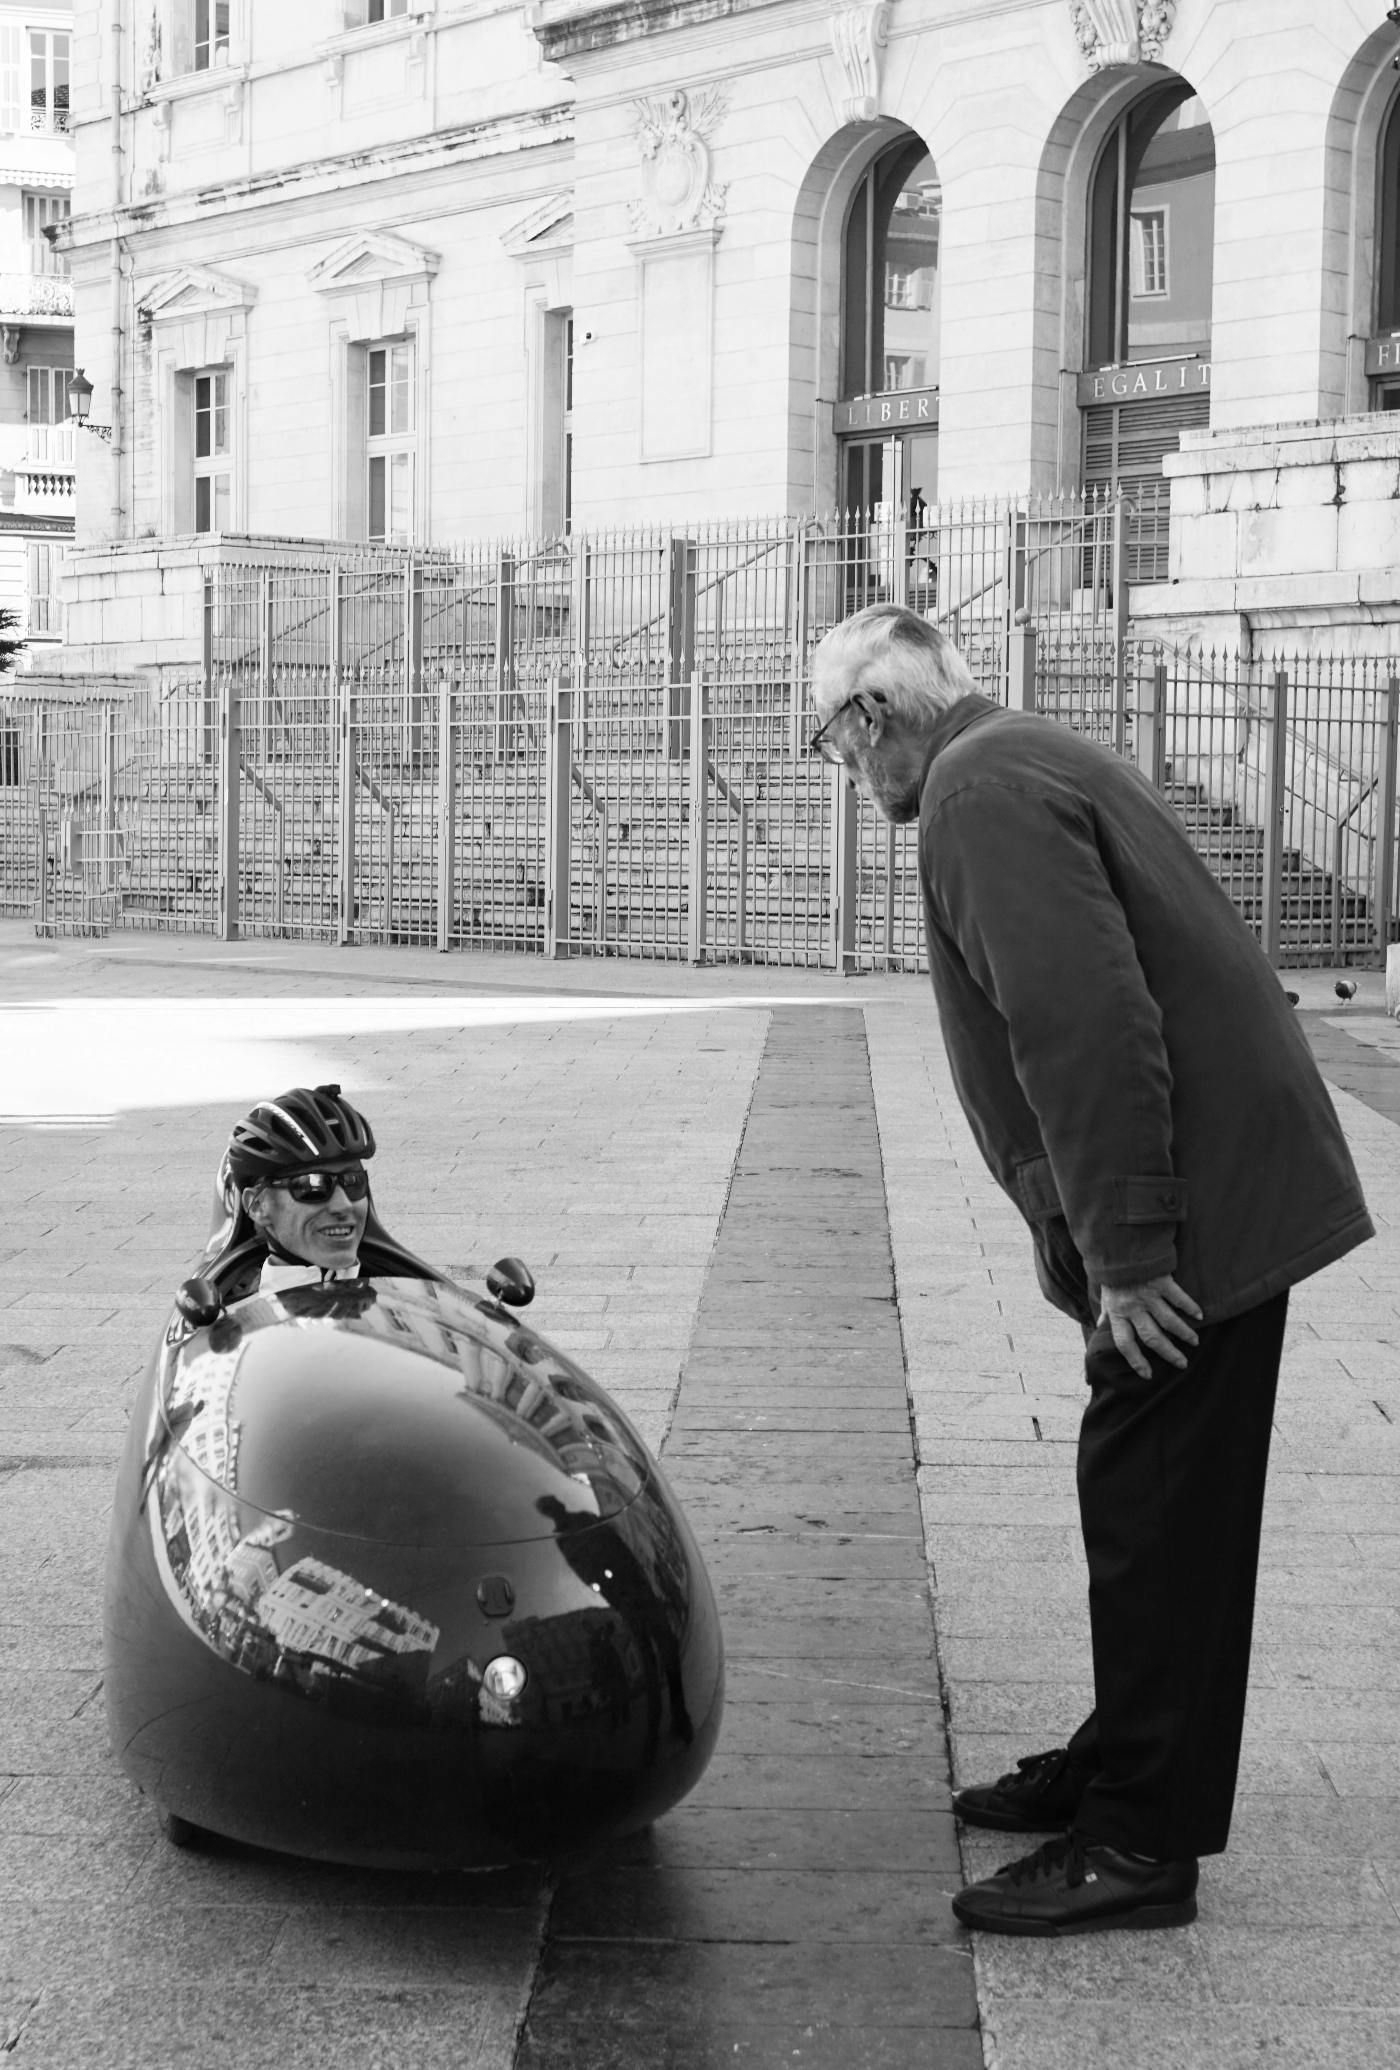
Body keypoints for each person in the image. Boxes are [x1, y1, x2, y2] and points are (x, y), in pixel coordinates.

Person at [807, 603, 1373, 1937]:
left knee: (1154, 1498)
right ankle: (1124, 1751)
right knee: (1162, 1488)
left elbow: (1088, 1026)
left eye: (831, 739)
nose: (838, 768)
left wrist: (1128, 1254)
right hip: (1224, 1180)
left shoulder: (977, 793)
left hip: (1196, 1212)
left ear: (878, 716)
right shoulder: (1018, 755)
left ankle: (1139, 1840)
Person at [221, 1083, 376, 1293]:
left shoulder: (411, 1295)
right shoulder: (229, 1318)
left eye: (353, 1181)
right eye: (313, 1185)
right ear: (257, 1205)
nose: (343, 1205)